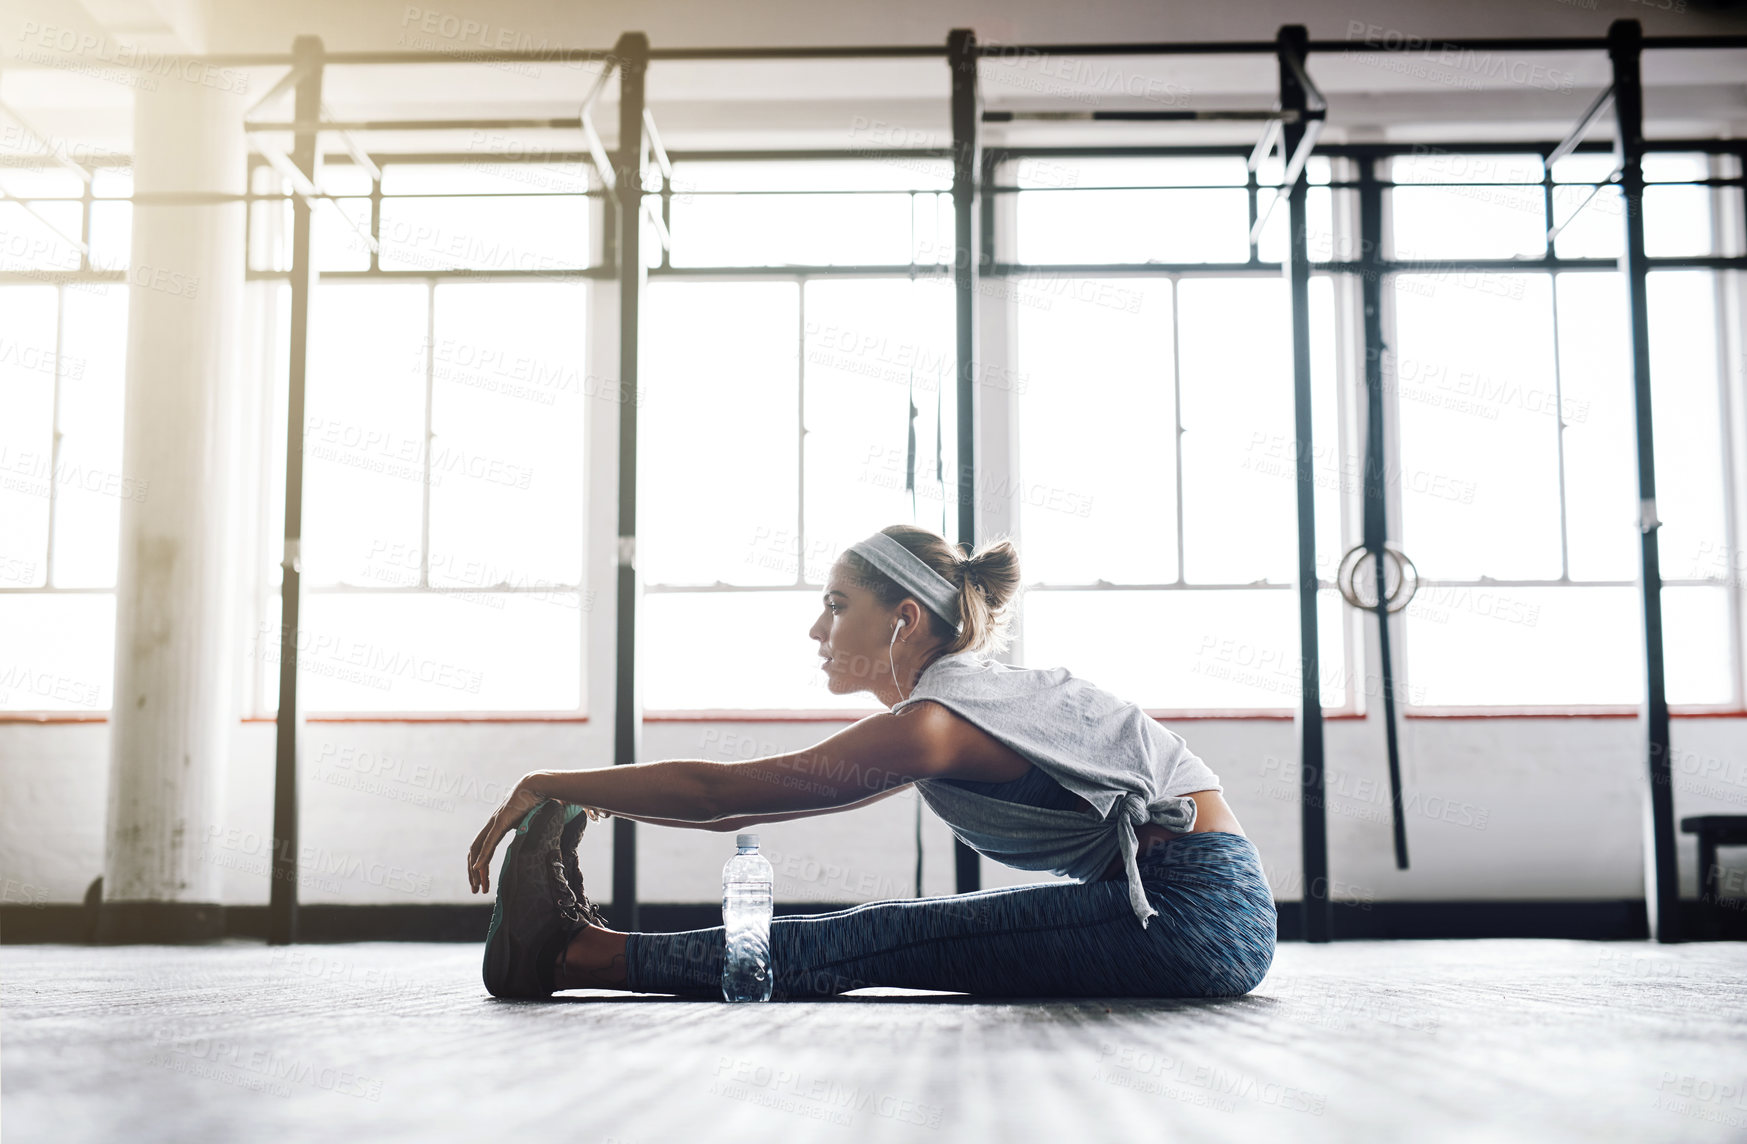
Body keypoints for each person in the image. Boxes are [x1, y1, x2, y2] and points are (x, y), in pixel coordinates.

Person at [467, 524, 1276, 1000]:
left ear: (903, 617)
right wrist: (586, 796)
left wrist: (549, 784)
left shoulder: (936, 724)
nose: (816, 630)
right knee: (883, 931)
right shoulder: (961, 703)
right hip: (1195, 904)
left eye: (834, 604)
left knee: (879, 936)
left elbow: (726, 797)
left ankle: (573, 953)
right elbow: (737, 797)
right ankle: (576, 950)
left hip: (1194, 919)